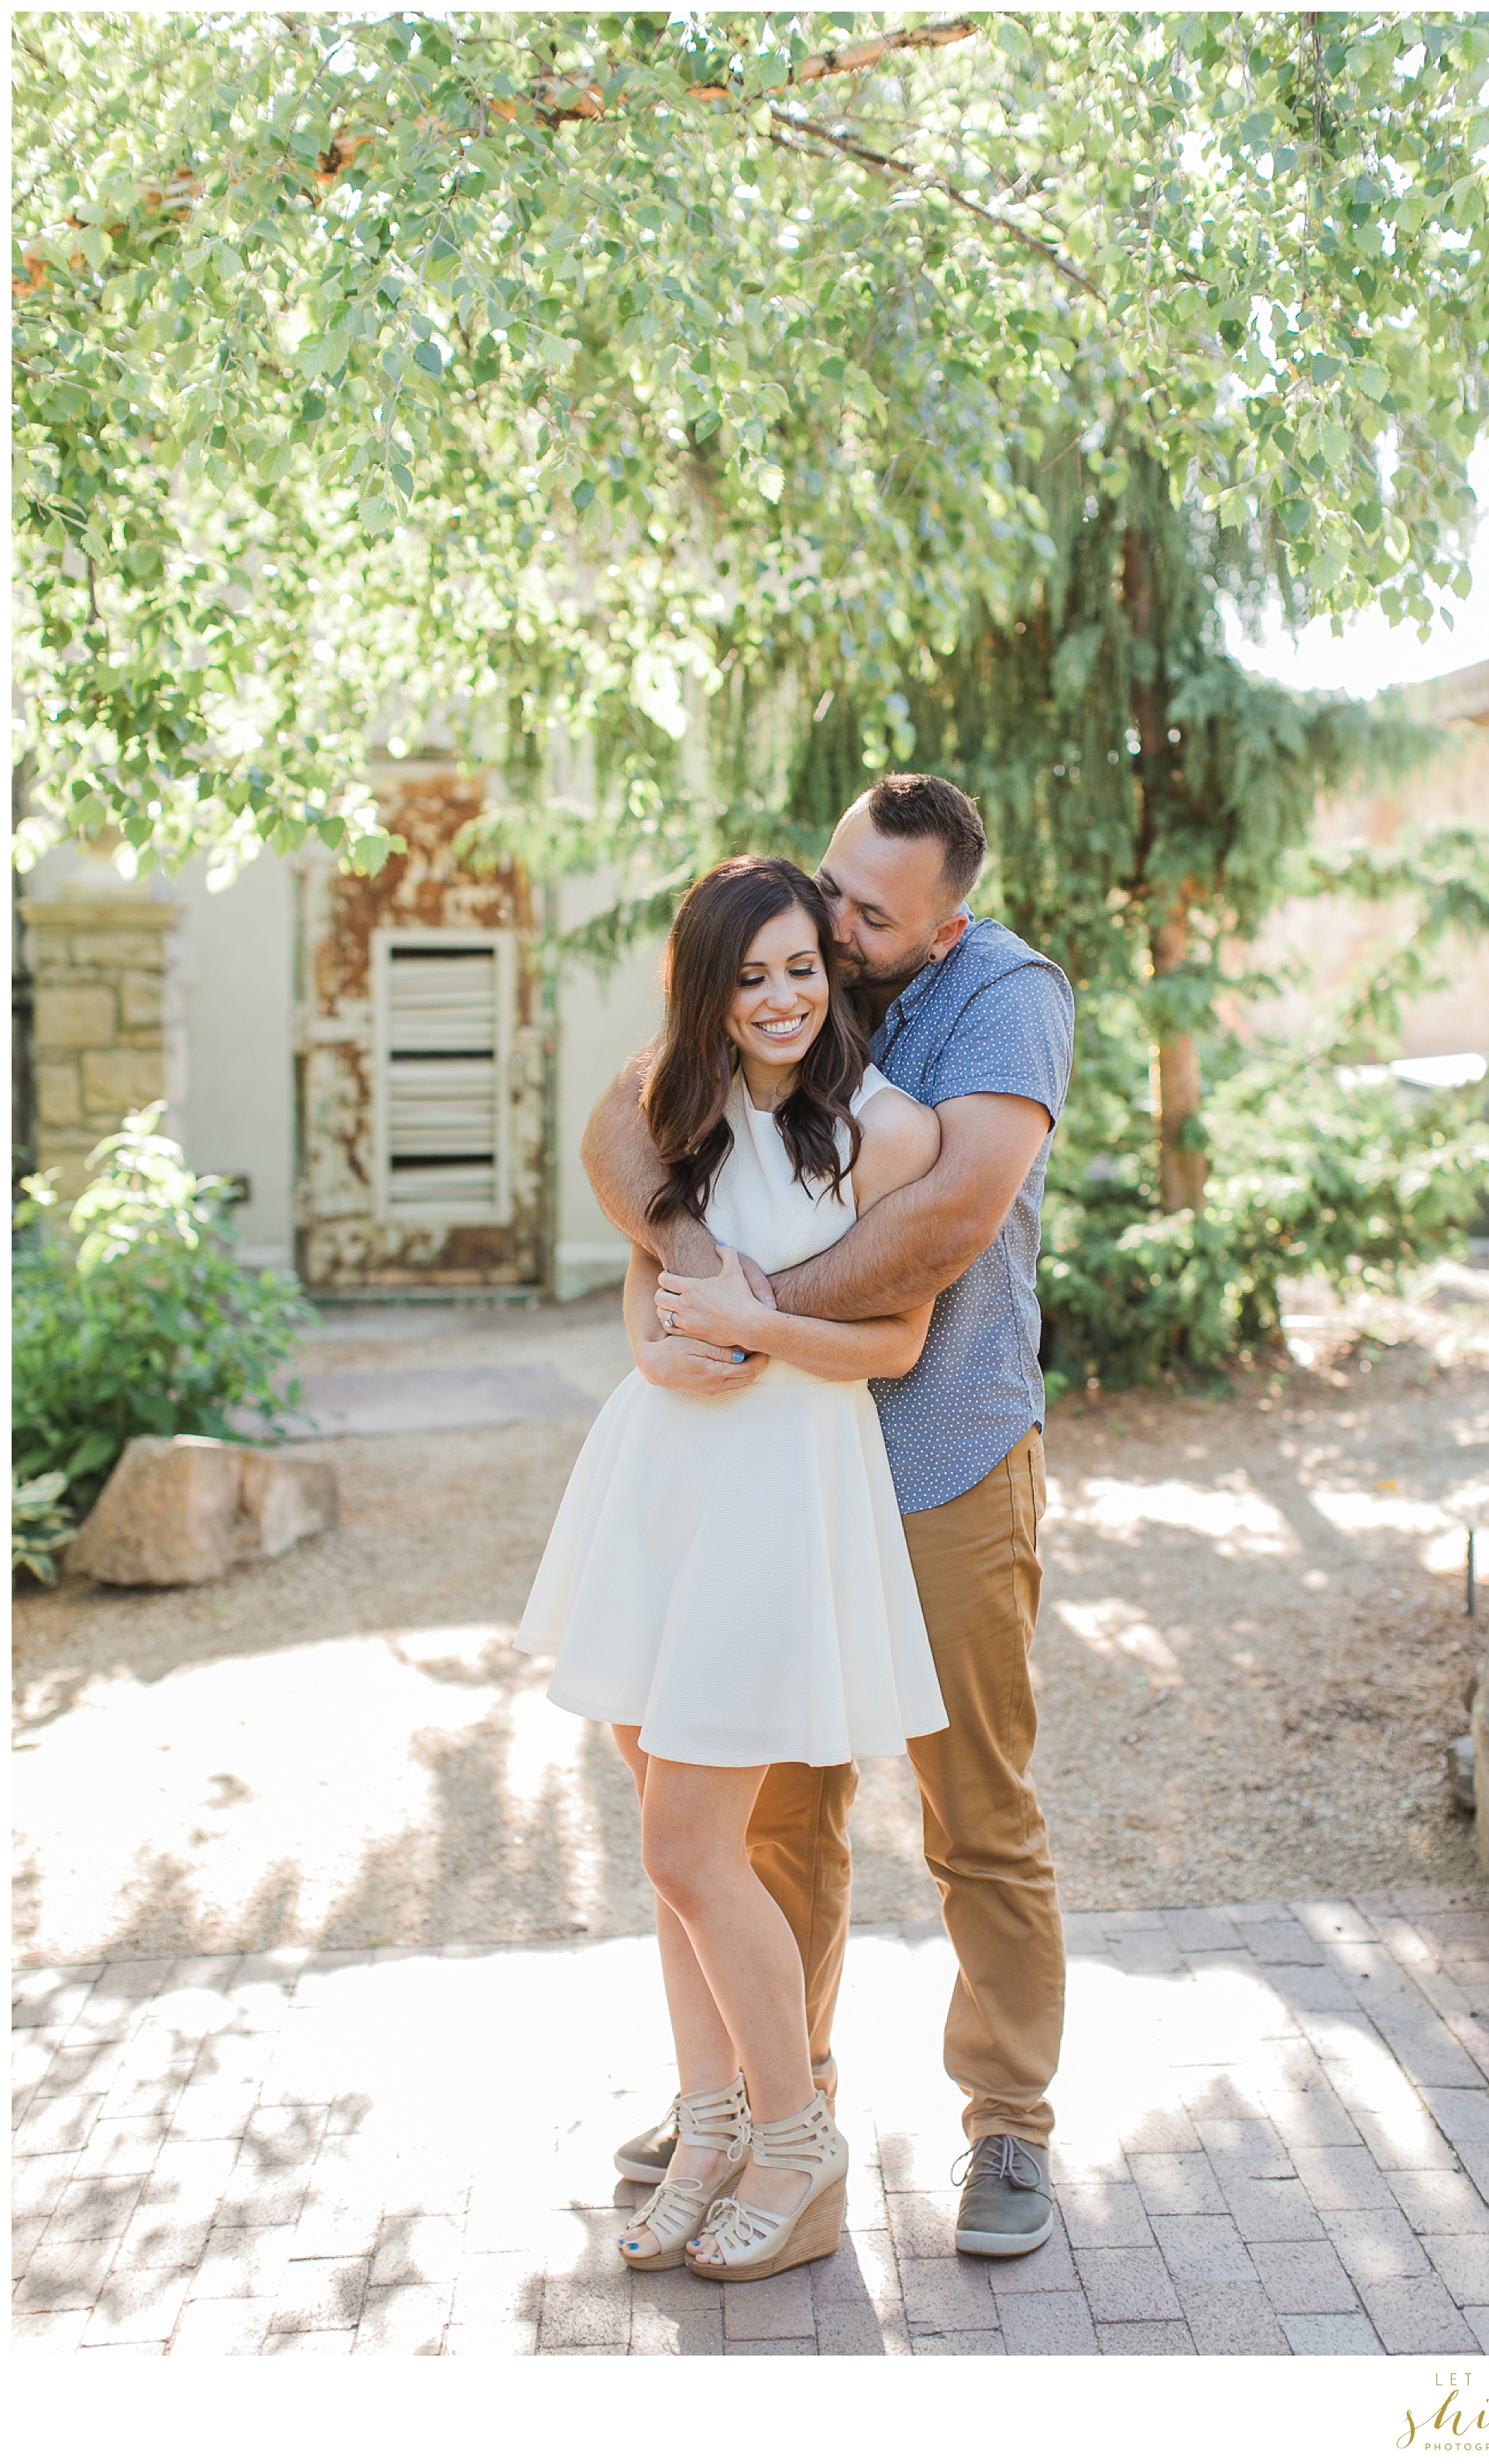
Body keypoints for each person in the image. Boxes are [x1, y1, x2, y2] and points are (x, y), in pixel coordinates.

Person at [582, 773, 1075, 2259]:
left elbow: (950, 1218)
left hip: (936, 1458)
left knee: (970, 1809)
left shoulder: (1003, 996)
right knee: (769, 1816)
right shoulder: (784, 959)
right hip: (769, 1475)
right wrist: (676, 1269)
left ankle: (1008, 2124)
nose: (837, 919)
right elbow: (628, 1123)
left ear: (945, 924)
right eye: (836, 884)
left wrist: (756, 1307)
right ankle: (764, 2097)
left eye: (868, 911)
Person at [516, 855, 949, 2282]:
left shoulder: (887, 1132)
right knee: (672, 1845)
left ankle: (796, 2134)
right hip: (662, 1469)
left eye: (802, 969)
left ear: (834, 975)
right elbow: (655, 1255)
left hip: (781, 1483)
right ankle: (708, 2126)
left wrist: (759, 1329)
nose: (780, 997)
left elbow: (892, 1341)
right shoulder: (676, 1101)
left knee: (689, 1842)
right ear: (709, 988)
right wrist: (654, 1334)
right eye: (751, 974)